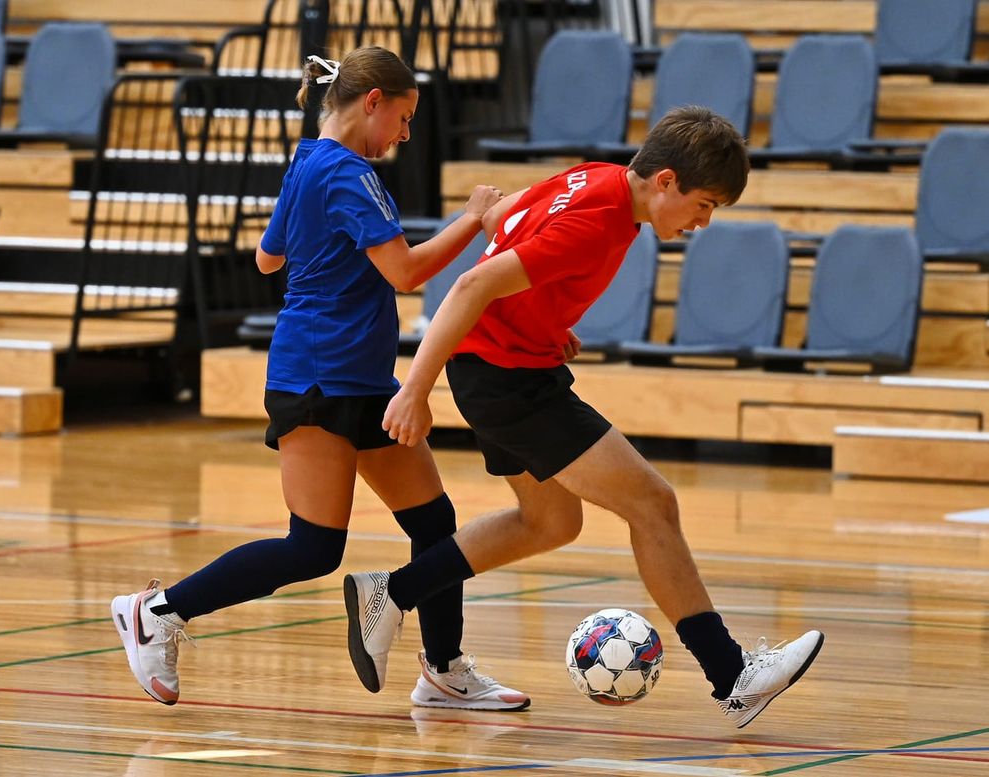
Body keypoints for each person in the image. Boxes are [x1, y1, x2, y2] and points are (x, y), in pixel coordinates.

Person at [342, 106, 824, 729]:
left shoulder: (596, 178)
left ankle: (392, 593)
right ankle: (733, 675)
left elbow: (507, 215)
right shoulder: (598, 222)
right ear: (667, 181)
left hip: (503, 367)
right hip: (507, 380)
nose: (703, 222)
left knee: (548, 521)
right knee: (653, 503)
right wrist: (414, 389)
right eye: (705, 204)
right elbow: (469, 287)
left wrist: (544, 317)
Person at [110, 46, 528, 712]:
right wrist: (474, 219)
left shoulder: (310, 161)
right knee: (312, 547)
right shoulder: (346, 172)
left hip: (361, 376)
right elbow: (406, 273)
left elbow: (267, 257)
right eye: (403, 116)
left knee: (435, 522)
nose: (405, 133)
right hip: (319, 376)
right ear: (373, 102)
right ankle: (156, 610)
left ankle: (444, 669)